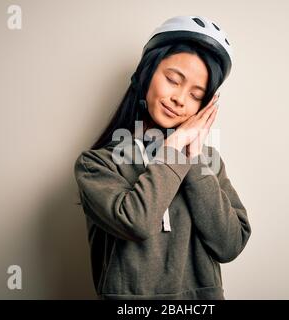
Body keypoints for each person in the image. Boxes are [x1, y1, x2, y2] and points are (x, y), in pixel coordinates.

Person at [74, 15, 251, 300]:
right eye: (172, 79)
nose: (180, 99)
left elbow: (230, 245)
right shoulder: (95, 164)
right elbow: (137, 222)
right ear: (146, 74)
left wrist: (192, 159)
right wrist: (176, 145)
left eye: (196, 95)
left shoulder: (206, 161)